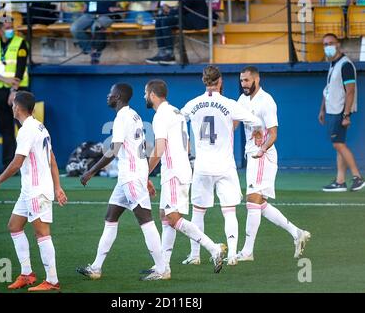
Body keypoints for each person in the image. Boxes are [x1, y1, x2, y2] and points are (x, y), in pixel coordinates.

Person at [76, 83, 168, 281]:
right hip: (130, 176)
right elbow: (139, 149)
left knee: (146, 221)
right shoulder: (134, 115)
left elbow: (113, 151)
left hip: (131, 178)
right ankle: (96, 267)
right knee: (110, 217)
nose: (107, 96)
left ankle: (162, 269)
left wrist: (90, 171)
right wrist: (145, 177)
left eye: (110, 93)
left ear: (117, 96)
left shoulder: (122, 118)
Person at [180, 65, 262, 266]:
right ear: (220, 81)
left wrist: (185, 142)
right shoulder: (229, 104)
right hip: (225, 166)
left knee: (198, 212)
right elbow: (255, 120)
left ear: (203, 81)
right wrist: (258, 131)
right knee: (229, 212)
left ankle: (195, 255)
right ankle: (233, 254)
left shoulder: (192, 104)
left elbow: (179, 120)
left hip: (201, 166)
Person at [145, 79, 227, 275]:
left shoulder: (161, 116)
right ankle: (163, 266)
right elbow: (187, 144)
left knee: (173, 218)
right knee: (165, 217)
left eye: (145, 93)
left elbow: (160, 147)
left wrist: (144, 172)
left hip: (173, 172)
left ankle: (213, 248)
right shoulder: (176, 112)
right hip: (178, 169)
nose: (144, 97)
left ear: (153, 95)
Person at [0, 91, 67, 291]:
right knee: (14, 226)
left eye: (13, 103)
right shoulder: (40, 127)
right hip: (29, 190)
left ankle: (52, 281)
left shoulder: (26, 130)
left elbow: (16, 163)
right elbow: (53, 160)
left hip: (36, 190)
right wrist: (58, 187)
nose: (11, 106)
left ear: (17, 107)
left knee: (41, 233)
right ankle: (27, 274)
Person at [235, 66, 311, 261]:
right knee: (260, 204)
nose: (243, 84)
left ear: (257, 80)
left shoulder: (266, 101)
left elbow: (274, 133)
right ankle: (297, 233)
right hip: (252, 155)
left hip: (263, 156)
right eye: (241, 80)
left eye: (247, 80)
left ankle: (247, 251)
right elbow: (233, 123)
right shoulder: (242, 100)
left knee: (252, 199)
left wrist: (262, 150)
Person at [319, 33, 365, 192]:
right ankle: (340, 181)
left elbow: (350, 91)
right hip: (332, 110)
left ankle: (357, 177)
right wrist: (322, 108)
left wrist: (346, 115)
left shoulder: (345, 65)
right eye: (325, 44)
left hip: (340, 111)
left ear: (338, 44)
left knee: (338, 144)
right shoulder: (333, 64)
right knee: (340, 145)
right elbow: (329, 89)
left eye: (331, 43)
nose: (328, 46)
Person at [0, 17, 29, 175]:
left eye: (12, 27)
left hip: (19, 91)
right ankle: (8, 166)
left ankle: (28, 165)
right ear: (0, 29)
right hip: (0, 91)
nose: (10, 30)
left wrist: (13, 90)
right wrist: (4, 80)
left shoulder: (21, 43)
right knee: (5, 129)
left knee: (23, 128)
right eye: (7, 27)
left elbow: (20, 69)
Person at [145, 0, 215, 65]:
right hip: (187, 17)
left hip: (196, 20)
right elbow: (181, 8)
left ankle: (170, 54)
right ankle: (162, 52)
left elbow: (183, 8)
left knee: (165, 21)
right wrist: (168, 10)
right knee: (159, 20)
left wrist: (169, 11)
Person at [70, 0, 121, 65]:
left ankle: (97, 51)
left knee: (96, 27)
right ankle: (89, 49)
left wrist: (120, 8)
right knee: (74, 28)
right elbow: (86, 1)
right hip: (89, 14)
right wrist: (84, 7)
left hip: (107, 15)